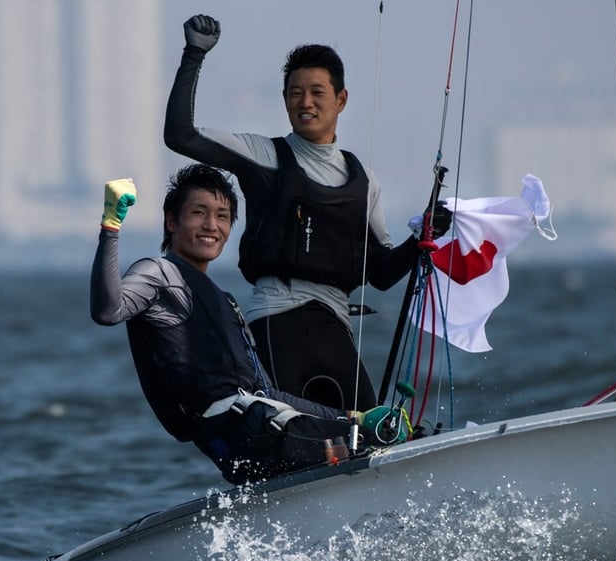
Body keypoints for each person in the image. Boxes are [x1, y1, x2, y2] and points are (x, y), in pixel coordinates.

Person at [163, 14, 452, 413]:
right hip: (276, 323)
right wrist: (194, 53)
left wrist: (422, 239)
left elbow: (382, 273)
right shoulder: (264, 155)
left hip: (335, 327)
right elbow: (180, 134)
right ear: (284, 100)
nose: (305, 102)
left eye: (317, 91)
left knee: (369, 431)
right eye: (295, 93)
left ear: (341, 100)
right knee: (298, 432)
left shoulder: (364, 181)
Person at [90, 164, 404, 485]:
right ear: (172, 221)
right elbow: (108, 309)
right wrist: (111, 225)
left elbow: (267, 393)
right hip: (245, 435)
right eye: (199, 212)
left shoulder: (224, 301)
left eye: (223, 216)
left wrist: (352, 416)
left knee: (373, 431)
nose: (211, 225)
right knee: (375, 440)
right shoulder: (159, 273)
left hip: (262, 430)